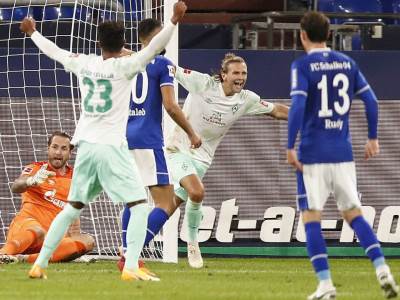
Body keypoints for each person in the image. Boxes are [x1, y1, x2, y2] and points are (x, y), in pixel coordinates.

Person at [19, 0, 187, 282]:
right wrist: (173, 20)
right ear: (122, 44)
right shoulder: (126, 66)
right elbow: (153, 49)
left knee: (73, 206)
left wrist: (33, 32)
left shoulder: (85, 63)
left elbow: (56, 52)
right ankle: (131, 266)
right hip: (111, 147)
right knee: (140, 206)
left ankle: (40, 264)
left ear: (98, 43)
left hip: (85, 147)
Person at [119, 53, 289, 270]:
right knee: (197, 192)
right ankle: (192, 242)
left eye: (244, 73)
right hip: (178, 150)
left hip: (203, 159)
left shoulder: (246, 99)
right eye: (236, 73)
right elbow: (169, 66)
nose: (241, 77)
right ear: (223, 75)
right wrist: (132, 53)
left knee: (169, 207)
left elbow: (276, 111)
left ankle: (129, 254)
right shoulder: (202, 83)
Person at [287, 11, 399, 300]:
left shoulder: (302, 66)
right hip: (343, 153)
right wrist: (372, 137)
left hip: (312, 154)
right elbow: (371, 101)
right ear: (328, 34)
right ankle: (382, 268)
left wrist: (290, 145)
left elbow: (298, 107)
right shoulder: (348, 63)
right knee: (354, 214)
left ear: (302, 35)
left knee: (311, 219)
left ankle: (325, 285)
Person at [119, 18, 201, 269]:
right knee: (165, 203)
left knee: (132, 199)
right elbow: (171, 106)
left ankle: (127, 251)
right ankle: (130, 254)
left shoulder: (129, 62)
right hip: (148, 139)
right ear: (157, 38)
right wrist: (191, 133)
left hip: (124, 138)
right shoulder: (163, 64)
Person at [0, 131, 94, 264]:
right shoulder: (36, 169)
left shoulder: (76, 178)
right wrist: (31, 181)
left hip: (51, 238)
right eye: (55, 147)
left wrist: (75, 247)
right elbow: (16, 186)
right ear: (48, 149)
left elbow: (74, 213)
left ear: (70, 153)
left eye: (63, 148)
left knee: (88, 240)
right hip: (27, 230)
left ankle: (23, 259)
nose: (58, 152)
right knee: (38, 231)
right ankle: (3, 253)